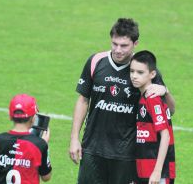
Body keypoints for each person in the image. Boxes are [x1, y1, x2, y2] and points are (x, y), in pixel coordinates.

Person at [69, 18, 175, 184]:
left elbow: (168, 111)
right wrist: (74, 138)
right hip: (92, 149)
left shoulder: (143, 71)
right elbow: (83, 100)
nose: (118, 50)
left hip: (127, 155)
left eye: (124, 45)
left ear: (135, 43)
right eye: (114, 44)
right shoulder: (96, 62)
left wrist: (165, 91)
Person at [130, 50, 175, 184]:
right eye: (132, 71)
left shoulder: (152, 99)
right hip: (144, 168)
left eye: (140, 72)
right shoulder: (142, 97)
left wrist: (157, 171)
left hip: (157, 172)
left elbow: (165, 135)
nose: (134, 76)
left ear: (152, 74)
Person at [0, 94, 52, 184]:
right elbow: (46, 177)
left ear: (10, 115)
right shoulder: (39, 145)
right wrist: (45, 145)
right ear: (34, 118)